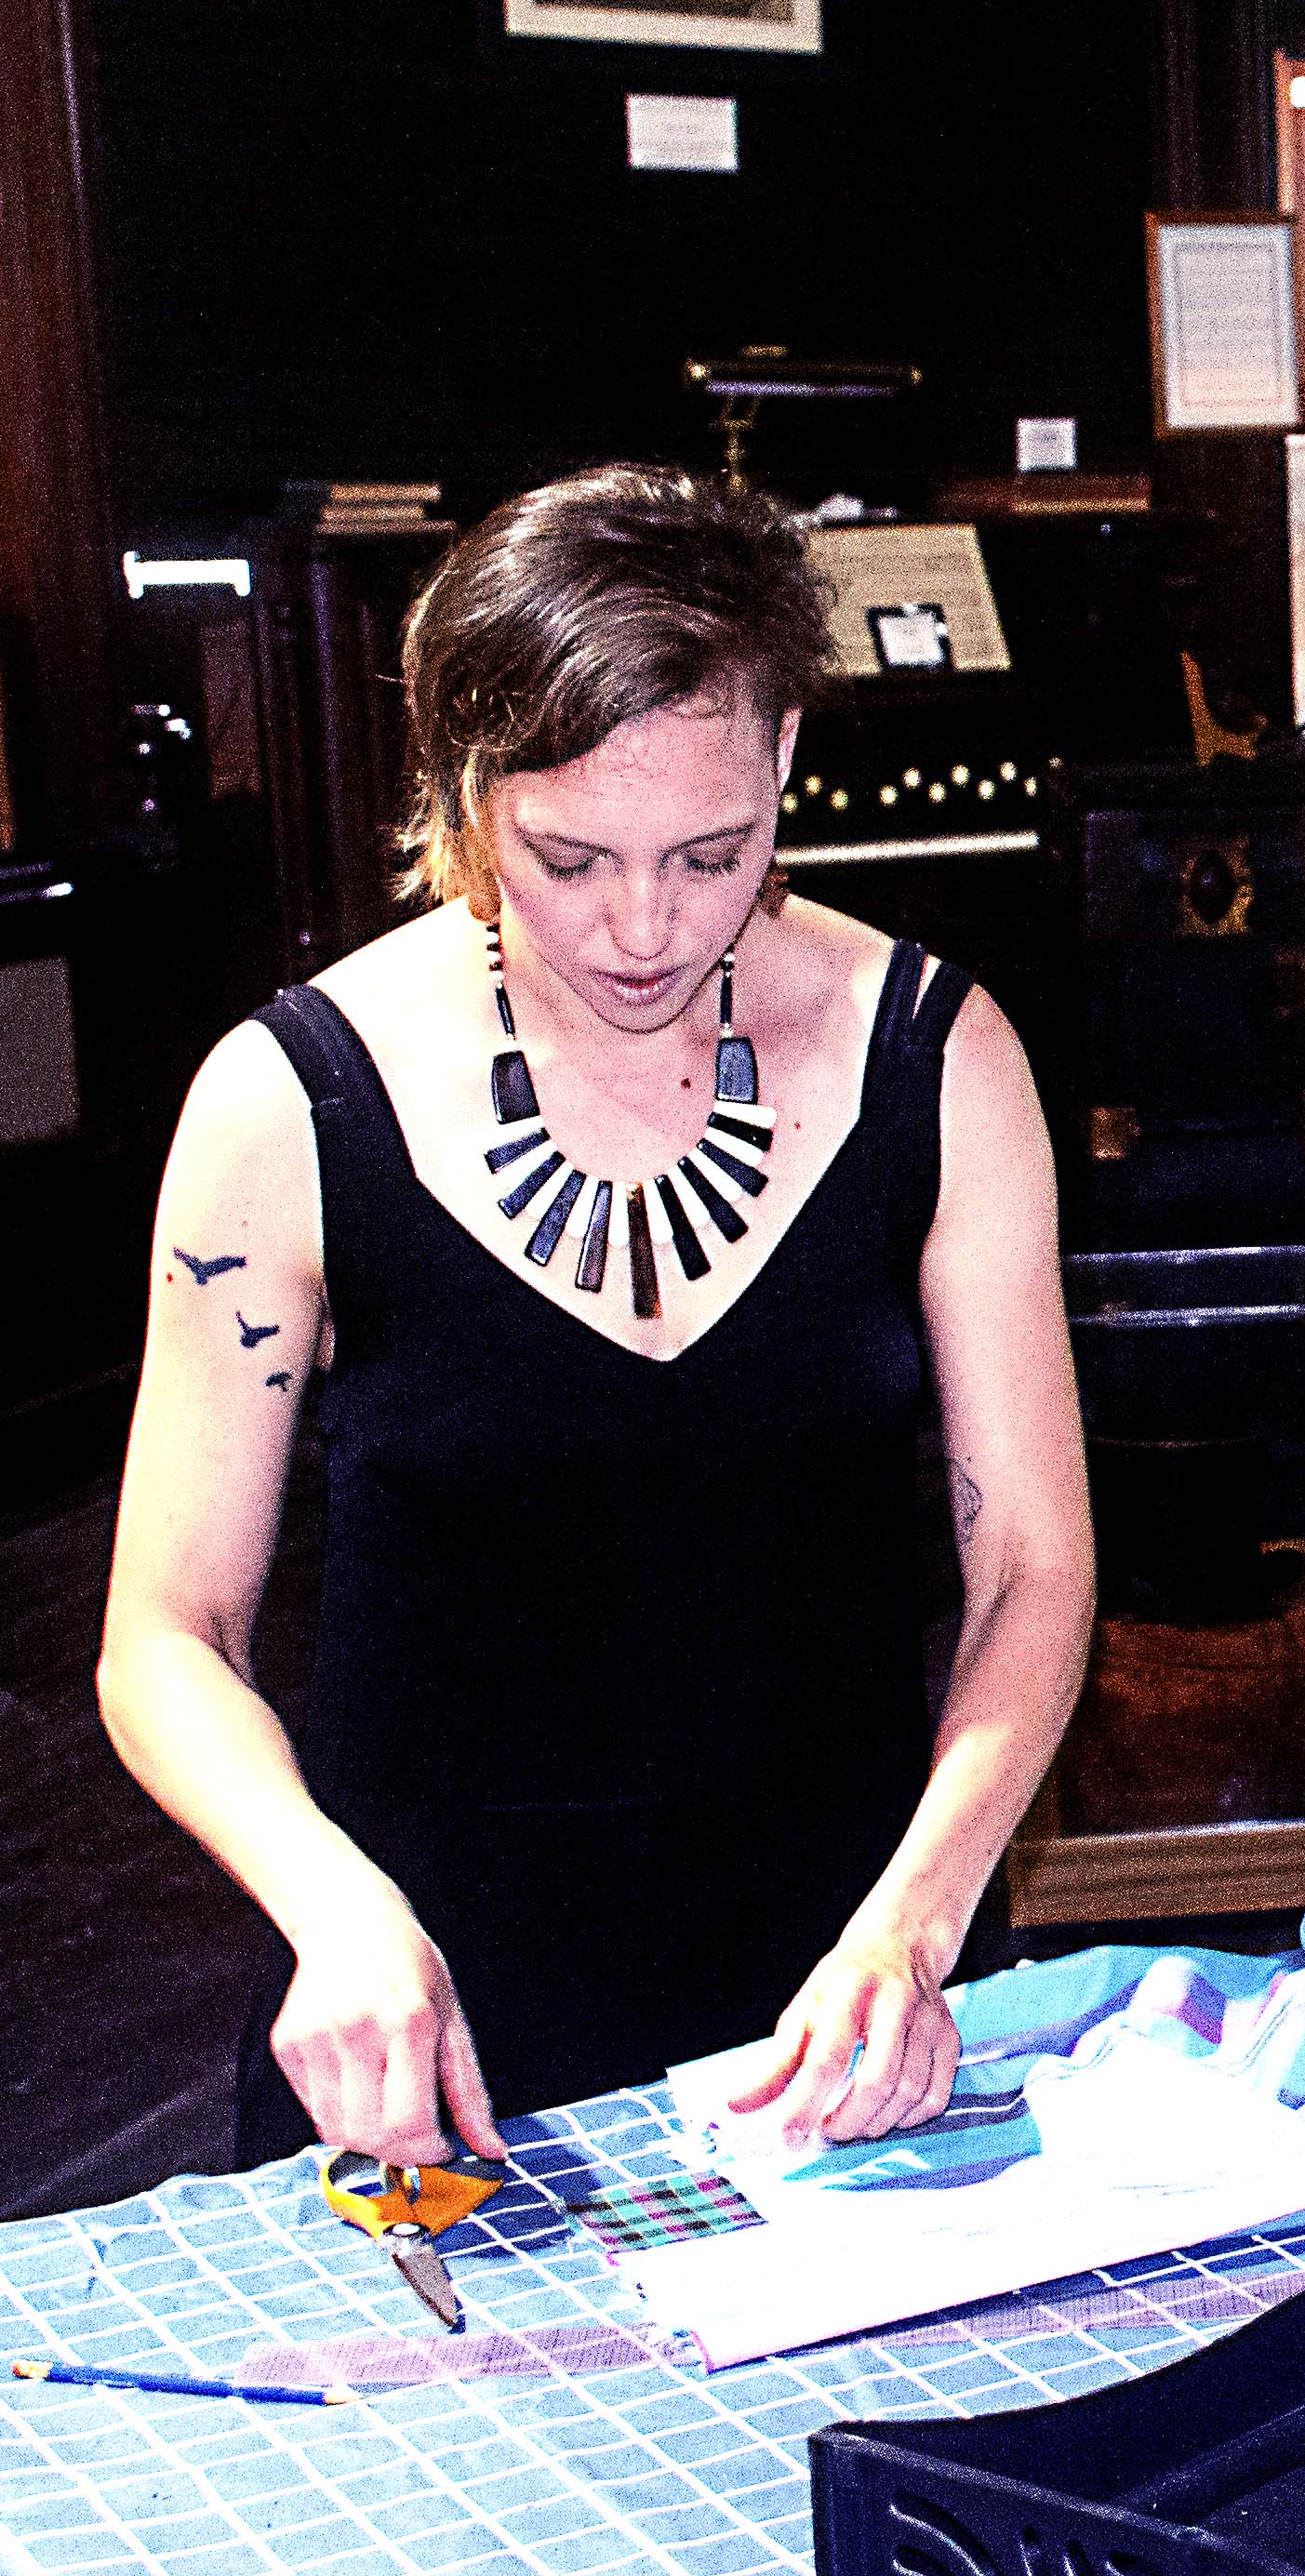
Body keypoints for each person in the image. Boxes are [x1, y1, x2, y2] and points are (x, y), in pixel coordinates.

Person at [96, 465, 1094, 2170]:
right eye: (568, 860)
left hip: (848, 2014)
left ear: (787, 759)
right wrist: (331, 1909)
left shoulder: (935, 1059)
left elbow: (1034, 1571)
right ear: (470, 793)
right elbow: (165, 1633)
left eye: (714, 855)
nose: (645, 929)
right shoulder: (293, 1101)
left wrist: (919, 1921)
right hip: (428, 2028)